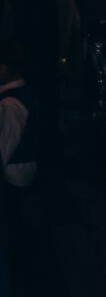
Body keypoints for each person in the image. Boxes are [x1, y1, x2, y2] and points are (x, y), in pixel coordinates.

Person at [0, 42, 42, 193]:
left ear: (3, 69)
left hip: (12, 178)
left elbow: (5, 146)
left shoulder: (11, 102)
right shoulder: (18, 96)